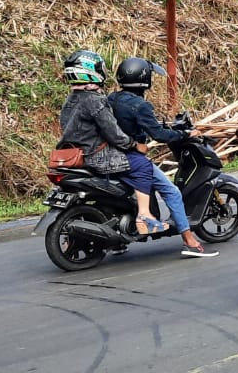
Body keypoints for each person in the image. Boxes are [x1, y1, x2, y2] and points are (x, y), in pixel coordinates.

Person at [108, 57, 218, 257]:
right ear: (144, 79)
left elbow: (131, 123)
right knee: (172, 192)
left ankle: (117, 242)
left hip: (109, 155)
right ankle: (190, 241)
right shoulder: (141, 105)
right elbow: (158, 135)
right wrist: (185, 134)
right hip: (131, 156)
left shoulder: (111, 99)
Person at [58, 50, 163, 235]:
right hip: (97, 156)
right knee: (143, 167)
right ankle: (145, 217)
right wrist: (134, 144)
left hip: (73, 154)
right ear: (92, 71)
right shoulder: (95, 99)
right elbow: (114, 134)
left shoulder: (71, 98)